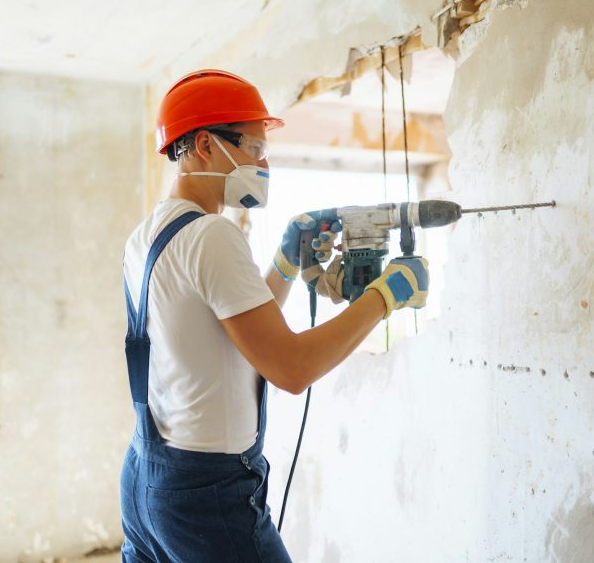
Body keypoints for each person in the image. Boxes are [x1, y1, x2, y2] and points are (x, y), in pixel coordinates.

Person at [119, 69, 429, 562]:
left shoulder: (147, 237)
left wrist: (284, 263)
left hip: (146, 478)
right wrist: (386, 295)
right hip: (207, 494)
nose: (264, 164)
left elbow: (232, 330)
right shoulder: (213, 235)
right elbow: (290, 367)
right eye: (254, 149)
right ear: (204, 144)